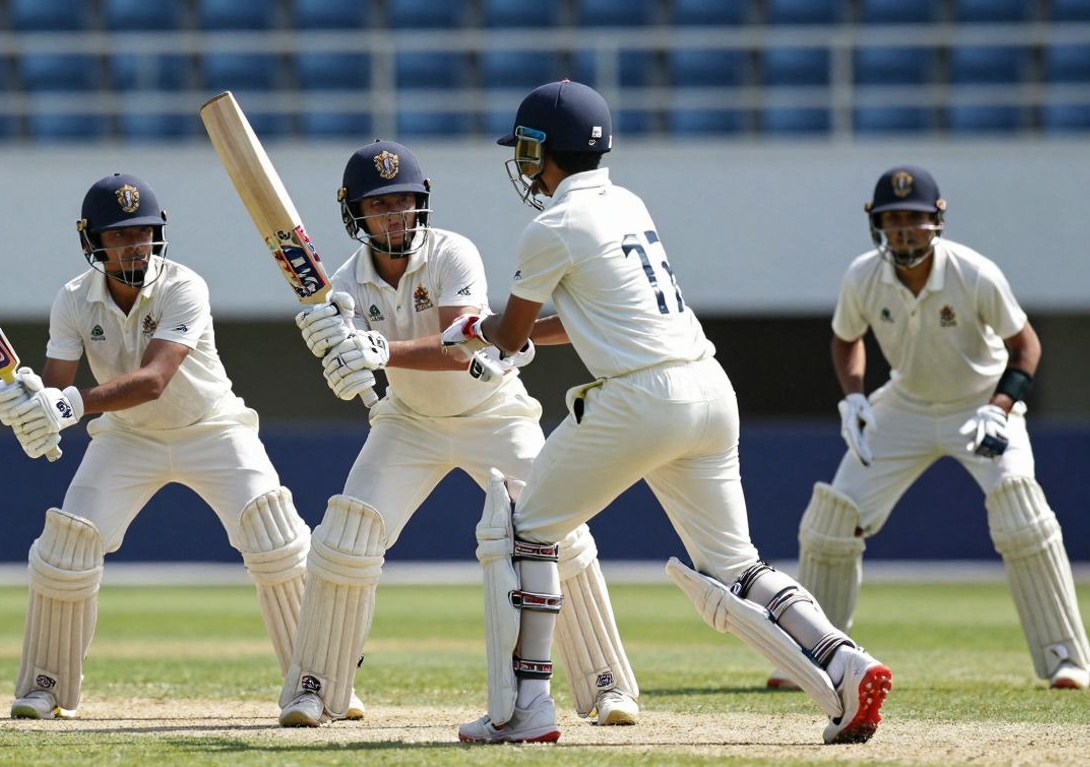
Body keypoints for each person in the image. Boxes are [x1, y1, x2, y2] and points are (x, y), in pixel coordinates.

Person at [445, 80, 892, 745]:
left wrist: (474, 332)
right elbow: (583, 314)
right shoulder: (627, 202)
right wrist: (502, 334)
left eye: (528, 148)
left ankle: (526, 708)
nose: (524, 162)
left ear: (546, 148)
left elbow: (510, 336)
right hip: (708, 387)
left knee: (526, 530)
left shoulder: (552, 226)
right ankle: (843, 659)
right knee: (737, 565)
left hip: (641, 399)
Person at [276, 140, 641, 728]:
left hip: (493, 411)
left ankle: (607, 685)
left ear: (422, 204)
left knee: (560, 535)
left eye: (404, 200)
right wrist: (338, 358)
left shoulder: (453, 253)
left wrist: (378, 350)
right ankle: (315, 688)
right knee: (346, 537)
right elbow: (353, 365)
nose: (395, 214)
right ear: (356, 214)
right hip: (408, 423)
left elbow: (461, 346)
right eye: (380, 204)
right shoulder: (344, 283)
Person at [0, 173, 311, 719]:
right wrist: (26, 403)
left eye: (142, 233)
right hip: (127, 437)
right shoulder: (72, 300)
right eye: (119, 236)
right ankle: (46, 684)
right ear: (94, 243)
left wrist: (66, 407)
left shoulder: (185, 286)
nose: (134, 245)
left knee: (273, 537)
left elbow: (155, 378)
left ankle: (316, 682)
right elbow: (56, 384)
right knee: (66, 547)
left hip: (212, 427)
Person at [766, 166, 1088, 692]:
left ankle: (1066, 659)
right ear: (877, 225)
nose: (903, 232)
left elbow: (1026, 345)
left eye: (913, 220)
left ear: (936, 221)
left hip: (981, 407)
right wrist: (852, 399)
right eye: (892, 221)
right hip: (905, 406)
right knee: (831, 519)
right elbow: (847, 338)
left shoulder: (974, 272)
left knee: (1021, 513)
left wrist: (1002, 405)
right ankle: (813, 657)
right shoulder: (863, 276)